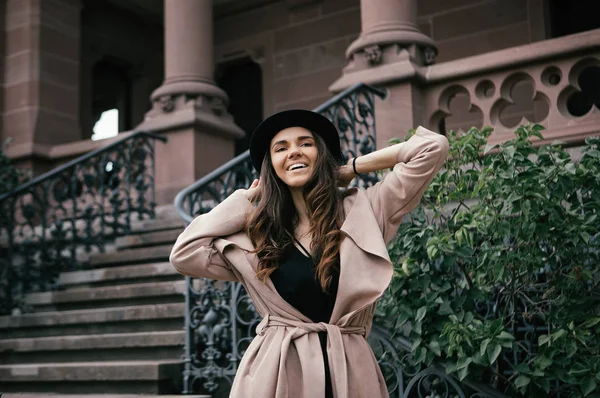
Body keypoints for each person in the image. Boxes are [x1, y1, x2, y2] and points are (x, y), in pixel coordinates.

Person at [170, 109, 449, 398]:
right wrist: (244, 200)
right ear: (271, 167)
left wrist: (348, 169)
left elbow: (432, 147)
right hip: (276, 376)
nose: (294, 152)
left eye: (305, 143)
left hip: (351, 373)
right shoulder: (255, 236)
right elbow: (183, 253)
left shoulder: (365, 211)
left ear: (321, 153)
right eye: (281, 148)